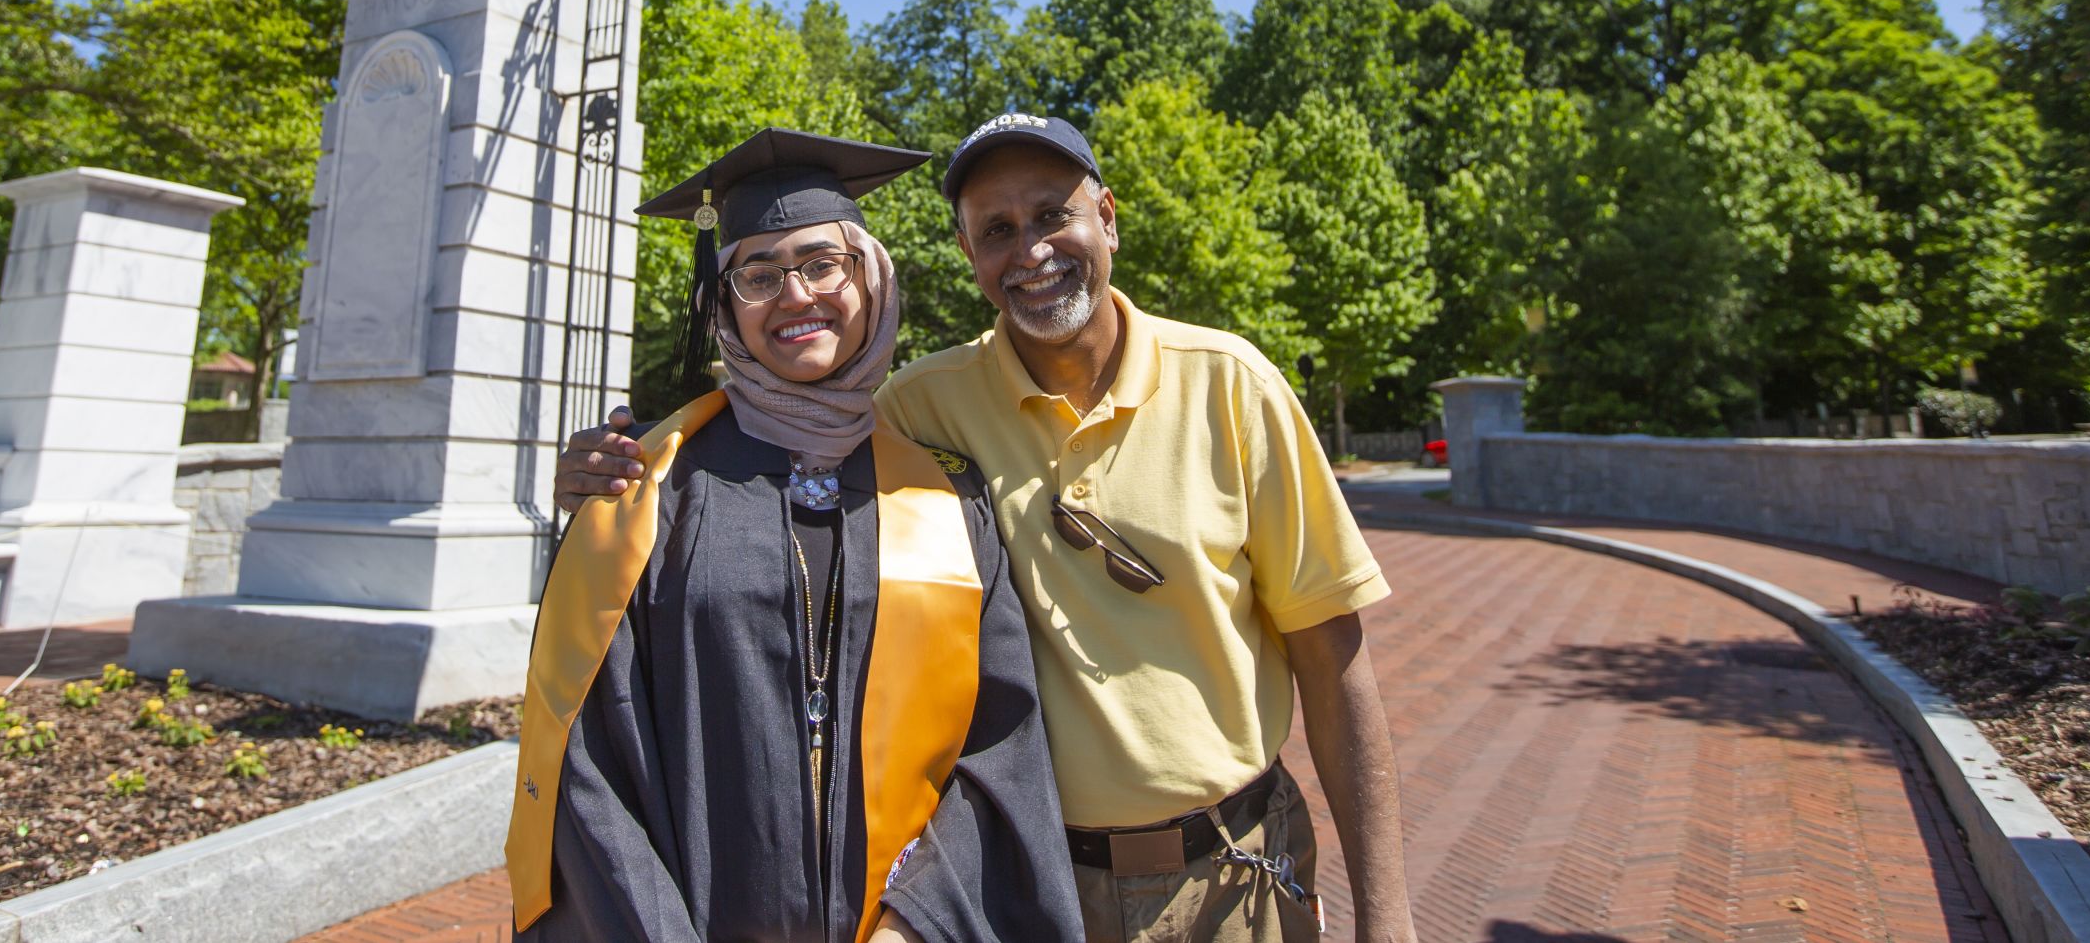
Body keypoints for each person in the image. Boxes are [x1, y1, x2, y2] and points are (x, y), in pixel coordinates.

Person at [560, 113, 1417, 943]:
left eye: (1053, 214)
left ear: (1107, 217)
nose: (1032, 249)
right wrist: (603, 478)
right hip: (1036, 890)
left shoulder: (1228, 387)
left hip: (1231, 874)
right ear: (968, 253)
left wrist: (1390, 917)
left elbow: (1333, 657)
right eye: (997, 228)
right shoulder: (912, 417)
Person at [507, 127, 1083, 943]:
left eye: (823, 263)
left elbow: (1002, 746)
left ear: (872, 275)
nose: (796, 294)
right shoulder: (641, 498)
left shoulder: (947, 498)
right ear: (721, 304)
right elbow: (585, 760)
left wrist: (918, 925)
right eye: (758, 273)